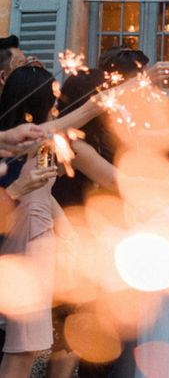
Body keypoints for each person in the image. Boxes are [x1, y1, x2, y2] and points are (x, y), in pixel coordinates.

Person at [0, 66, 60, 378]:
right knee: (22, 347)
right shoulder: (23, 144)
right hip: (27, 242)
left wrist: (66, 227)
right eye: (52, 96)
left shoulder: (42, 141)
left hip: (40, 238)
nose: (57, 101)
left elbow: (45, 192)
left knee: (28, 345)